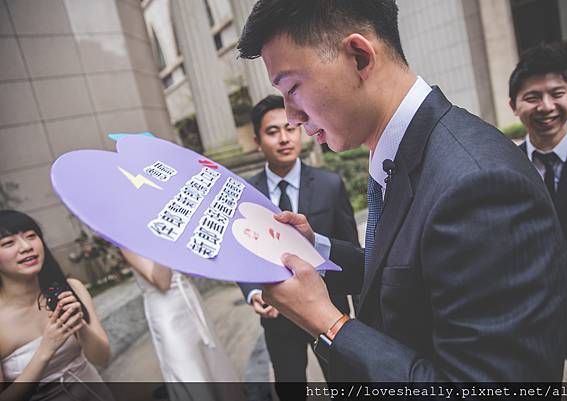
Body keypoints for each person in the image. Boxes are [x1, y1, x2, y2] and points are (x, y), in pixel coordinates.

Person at [237, 0, 567, 381]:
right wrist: (315, 249)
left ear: (359, 56)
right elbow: (405, 277)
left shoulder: (479, 186)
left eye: (293, 87)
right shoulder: (404, 152)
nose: (291, 116)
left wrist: (328, 323)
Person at [238, 95, 358, 398]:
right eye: (272, 131)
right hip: (278, 318)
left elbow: (352, 250)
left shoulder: (330, 185)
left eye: (290, 128)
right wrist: (253, 292)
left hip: (330, 311)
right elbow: (240, 254)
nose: (284, 138)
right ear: (257, 140)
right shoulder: (245, 193)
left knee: (345, 385)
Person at [509, 43, 567, 382]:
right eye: (532, 97)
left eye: (556, 93)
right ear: (514, 106)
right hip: (529, 324)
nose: (546, 106)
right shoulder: (503, 166)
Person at [0, 210, 113, 401]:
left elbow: (101, 359)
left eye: (31, 236)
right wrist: (47, 349)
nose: (26, 246)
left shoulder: (71, 288)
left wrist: (80, 325)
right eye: (8, 243)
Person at [120, 250, 244, 401]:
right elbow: (162, 281)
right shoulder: (126, 242)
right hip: (167, 314)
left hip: (190, 301)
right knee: (189, 373)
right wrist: (163, 236)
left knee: (215, 367)